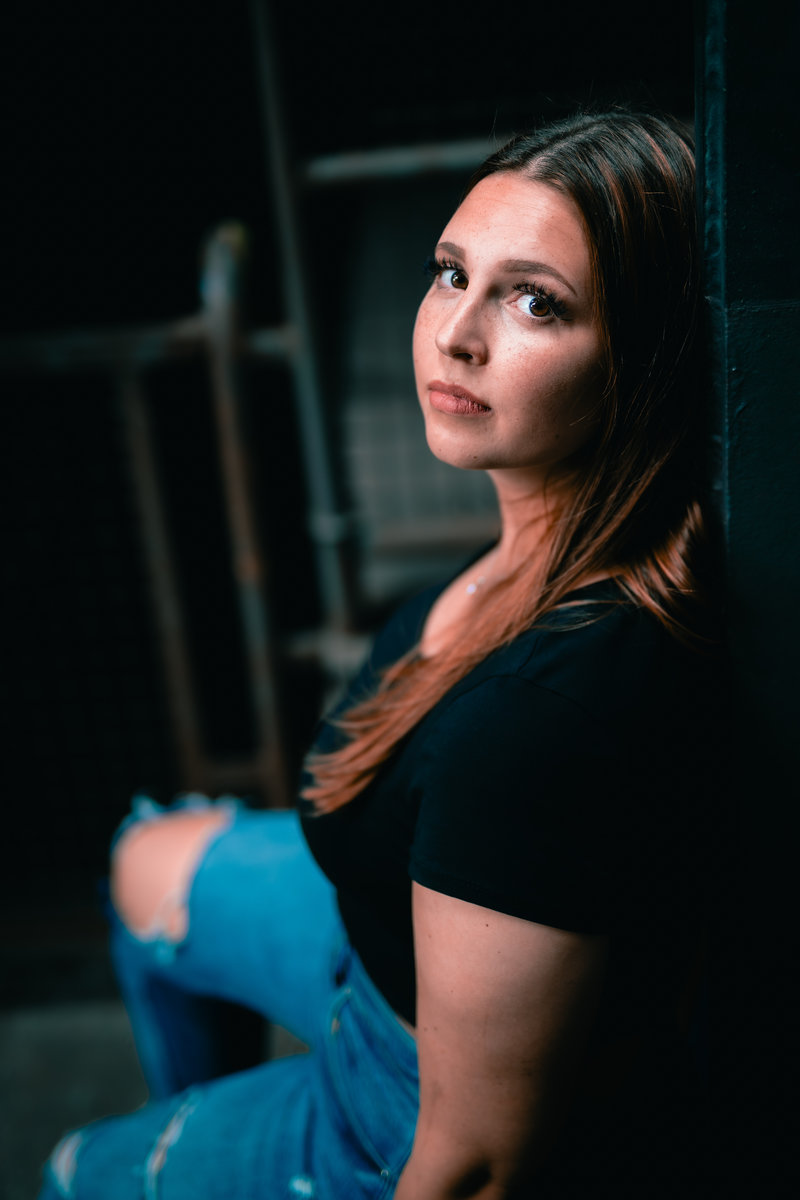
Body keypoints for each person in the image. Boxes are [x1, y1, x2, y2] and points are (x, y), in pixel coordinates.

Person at [40, 109, 721, 1199]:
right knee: (143, 856)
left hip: (399, 1106)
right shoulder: (537, 542)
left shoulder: (540, 714)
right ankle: (210, 1136)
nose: (456, 335)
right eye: (451, 273)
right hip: (376, 941)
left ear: (644, 357)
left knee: (75, 1174)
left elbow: (477, 1165)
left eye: (535, 302)